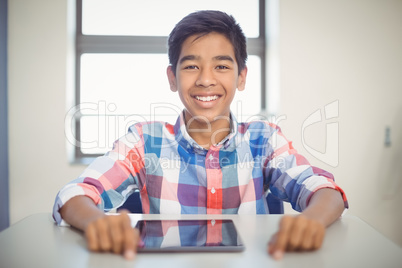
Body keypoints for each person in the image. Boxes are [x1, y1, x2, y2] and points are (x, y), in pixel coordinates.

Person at [53, 10, 348, 261]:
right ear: (172, 78)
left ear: (241, 77)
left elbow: (324, 190)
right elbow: (75, 194)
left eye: (221, 66)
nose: (206, 80)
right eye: (192, 66)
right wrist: (96, 222)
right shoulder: (144, 141)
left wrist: (311, 220)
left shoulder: (264, 140)